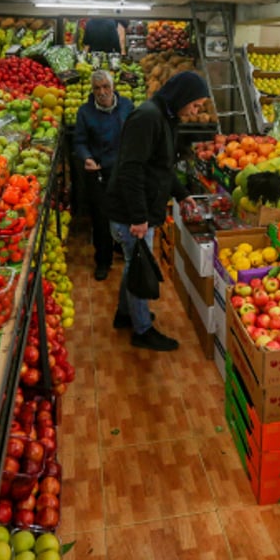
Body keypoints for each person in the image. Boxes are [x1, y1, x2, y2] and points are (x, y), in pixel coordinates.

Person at [104, 71, 210, 351]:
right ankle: (142, 329)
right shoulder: (148, 118)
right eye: (196, 105)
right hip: (131, 212)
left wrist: (182, 194)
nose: (195, 111)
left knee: (133, 263)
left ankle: (125, 314)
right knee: (139, 266)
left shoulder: (165, 117)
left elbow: (160, 167)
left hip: (139, 209)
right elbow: (131, 169)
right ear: (183, 97)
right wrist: (138, 217)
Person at [73, 70, 133, 281]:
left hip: (123, 171)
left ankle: (121, 246)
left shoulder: (127, 106)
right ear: (92, 90)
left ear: (113, 86)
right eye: (97, 88)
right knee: (101, 217)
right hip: (98, 171)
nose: (102, 92)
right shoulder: (85, 112)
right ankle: (103, 260)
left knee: (124, 213)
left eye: (106, 86)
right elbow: (79, 142)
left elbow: (135, 133)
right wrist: (86, 157)